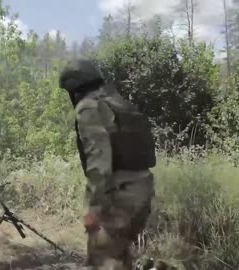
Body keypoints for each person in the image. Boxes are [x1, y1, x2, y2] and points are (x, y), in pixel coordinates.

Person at [59, 59, 157, 270]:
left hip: (120, 195)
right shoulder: (116, 101)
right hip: (143, 188)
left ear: (73, 88)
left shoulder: (88, 106)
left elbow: (99, 160)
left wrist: (93, 208)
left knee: (102, 257)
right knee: (119, 256)